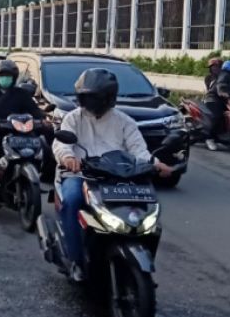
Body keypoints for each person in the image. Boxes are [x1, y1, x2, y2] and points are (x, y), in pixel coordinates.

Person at [53, 68, 173, 281]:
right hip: (81, 175)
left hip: (117, 177)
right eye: (86, 96)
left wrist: (156, 164)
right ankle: (76, 260)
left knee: (145, 207)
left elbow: (139, 151)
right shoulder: (73, 118)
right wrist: (68, 159)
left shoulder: (124, 121)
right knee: (72, 200)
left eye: (95, 96)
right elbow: (62, 144)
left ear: (108, 97)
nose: (90, 101)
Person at [0, 59, 45, 199]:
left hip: (19, 130)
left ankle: (34, 177)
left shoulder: (21, 94)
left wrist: (43, 119)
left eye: (8, 76)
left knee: (40, 145)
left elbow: (34, 110)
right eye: (2, 76)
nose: (5, 79)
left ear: (14, 78)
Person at [205, 59, 230, 151]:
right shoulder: (224, 75)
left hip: (223, 101)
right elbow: (220, 85)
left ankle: (226, 139)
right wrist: (221, 92)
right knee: (218, 117)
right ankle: (209, 138)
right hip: (213, 99)